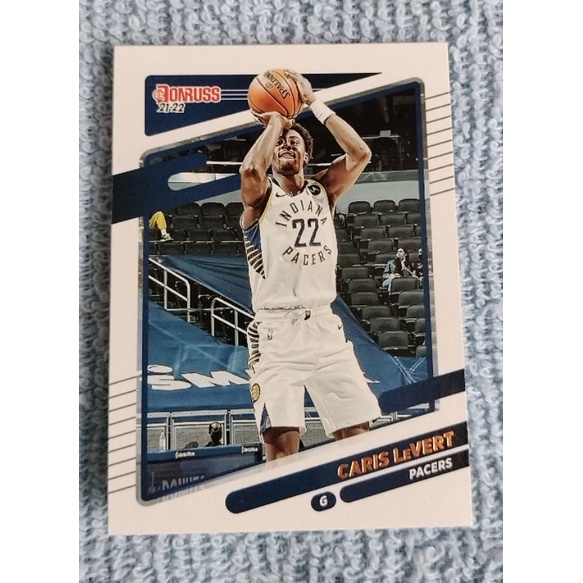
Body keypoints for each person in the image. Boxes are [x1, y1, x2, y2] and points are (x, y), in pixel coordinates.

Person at [240, 70, 381, 462]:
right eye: (280, 144)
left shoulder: (324, 190)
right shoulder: (260, 198)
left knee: (358, 441)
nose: (286, 145)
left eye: (294, 142)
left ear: (306, 155)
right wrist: (277, 121)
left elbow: (361, 154)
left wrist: (314, 103)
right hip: (276, 334)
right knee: (282, 448)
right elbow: (250, 171)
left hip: (323, 326)